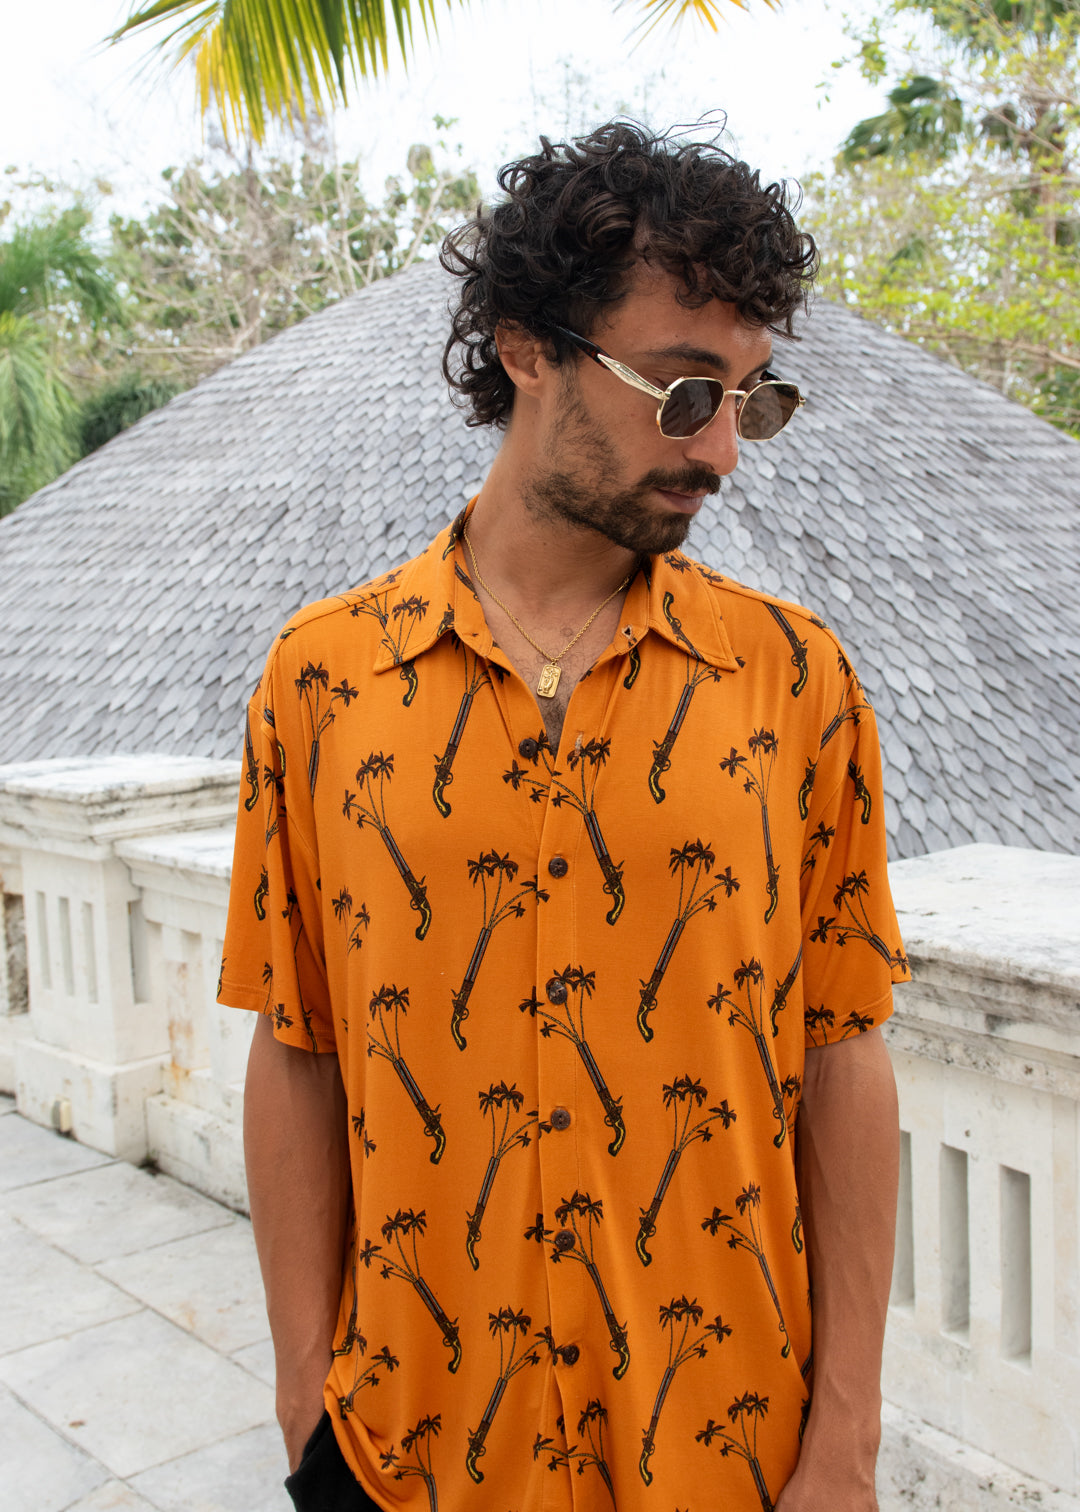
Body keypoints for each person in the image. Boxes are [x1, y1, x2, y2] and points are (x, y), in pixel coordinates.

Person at [219, 120, 909, 1512]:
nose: (724, 452)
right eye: (683, 391)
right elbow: (299, 1044)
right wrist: (305, 1397)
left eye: (755, 398)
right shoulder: (323, 678)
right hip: (407, 1448)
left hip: (727, 1447)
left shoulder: (794, 681)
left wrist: (845, 1435)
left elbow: (843, 1053)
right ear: (528, 348)